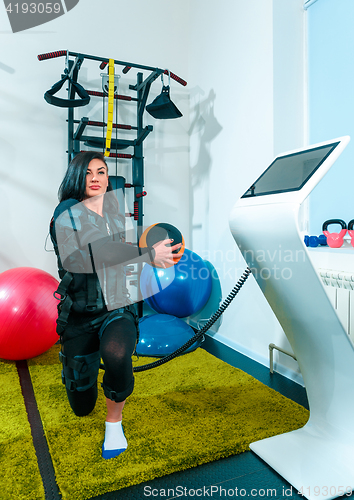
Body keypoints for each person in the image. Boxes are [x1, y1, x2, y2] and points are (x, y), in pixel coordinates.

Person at [50, 151, 180, 459]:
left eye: (102, 172)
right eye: (88, 172)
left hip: (115, 307)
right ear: (76, 178)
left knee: (118, 353)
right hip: (78, 316)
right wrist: (146, 252)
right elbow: (91, 255)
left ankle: (114, 422)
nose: (95, 178)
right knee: (82, 406)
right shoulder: (66, 210)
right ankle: (81, 363)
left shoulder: (111, 217)